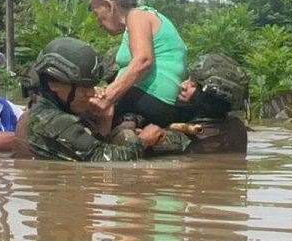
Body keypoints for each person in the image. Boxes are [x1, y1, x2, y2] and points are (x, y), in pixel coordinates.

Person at [17, 37, 188, 162]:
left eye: (92, 86)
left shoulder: (48, 113)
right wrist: (143, 141)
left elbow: (90, 151)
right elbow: (103, 159)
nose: (90, 93)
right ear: (54, 84)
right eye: (83, 87)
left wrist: (105, 120)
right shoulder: (52, 120)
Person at [88, 0, 187, 127]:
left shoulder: (137, 16)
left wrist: (108, 97)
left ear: (109, 5)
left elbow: (143, 61)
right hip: (154, 100)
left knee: (81, 106)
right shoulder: (145, 17)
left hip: (151, 99)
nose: (98, 23)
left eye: (97, 14)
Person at [172, 53, 250, 153]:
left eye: (193, 84)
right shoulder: (237, 127)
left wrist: (144, 141)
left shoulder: (187, 138)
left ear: (209, 98)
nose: (182, 85)